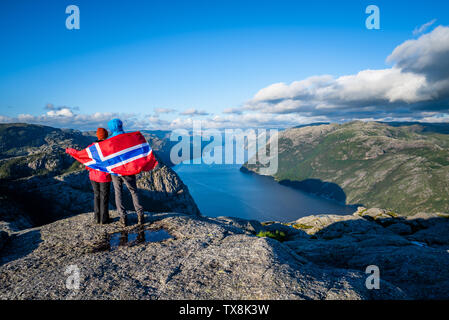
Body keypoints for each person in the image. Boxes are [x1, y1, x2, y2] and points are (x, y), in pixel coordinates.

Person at [66, 128, 112, 224]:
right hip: (104, 176)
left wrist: (70, 151)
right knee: (104, 196)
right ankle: (104, 219)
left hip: (93, 175)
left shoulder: (91, 147)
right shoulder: (108, 146)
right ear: (106, 135)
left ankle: (96, 217)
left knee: (96, 195)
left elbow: (82, 156)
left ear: (97, 135)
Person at [107, 118, 145, 227]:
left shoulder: (108, 142)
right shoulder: (130, 138)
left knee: (118, 192)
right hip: (128, 169)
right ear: (121, 125)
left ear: (111, 128)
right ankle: (140, 216)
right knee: (133, 191)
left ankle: (123, 218)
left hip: (115, 170)